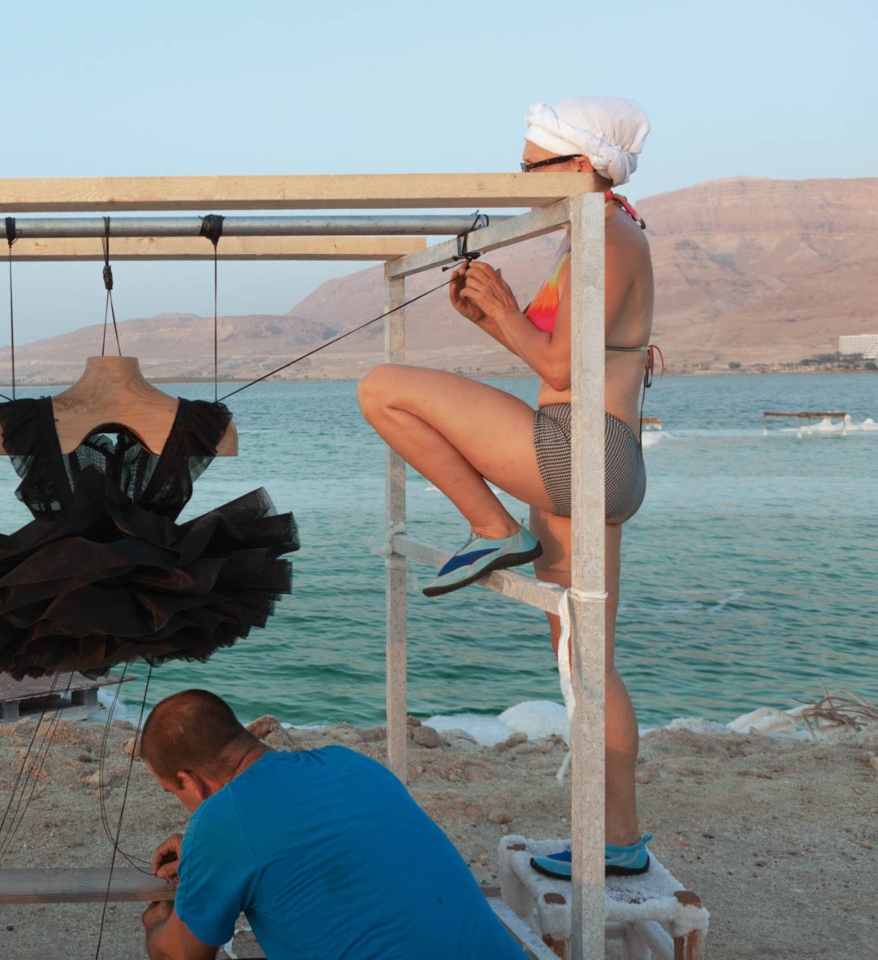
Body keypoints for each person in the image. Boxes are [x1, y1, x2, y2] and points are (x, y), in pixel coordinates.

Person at [356, 96, 655, 877]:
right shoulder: (605, 235)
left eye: (534, 166)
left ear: (583, 165)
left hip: (580, 452)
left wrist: (499, 311)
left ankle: (492, 532)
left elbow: (559, 368)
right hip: (593, 463)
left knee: (383, 387)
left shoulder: (608, 236)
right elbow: (577, 354)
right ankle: (618, 841)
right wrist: (499, 316)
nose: (521, 180)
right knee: (584, 656)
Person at [138, 690, 524, 960]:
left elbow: (178, 955)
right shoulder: (351, 763)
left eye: (174, 790)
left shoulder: (221, 819)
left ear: (189, 781)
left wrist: (157, 921)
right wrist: (208, 856)